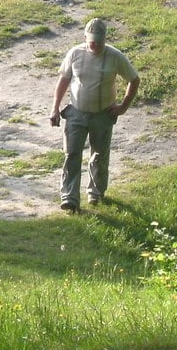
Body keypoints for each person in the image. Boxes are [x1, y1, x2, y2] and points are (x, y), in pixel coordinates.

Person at [49, 17, 140, 213]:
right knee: (72, 154)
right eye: (92, 41)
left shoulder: (115, 56)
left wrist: (123, 107)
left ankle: (96, 193)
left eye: (100, 41)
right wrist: (55, 108)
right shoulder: (75, 53)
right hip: (76, 112)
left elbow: (134, 80)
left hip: (103, 114)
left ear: (105, 39)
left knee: (99, 156)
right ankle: (69, 197)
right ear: (85, 38)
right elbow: (64, 79)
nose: (96, 45)